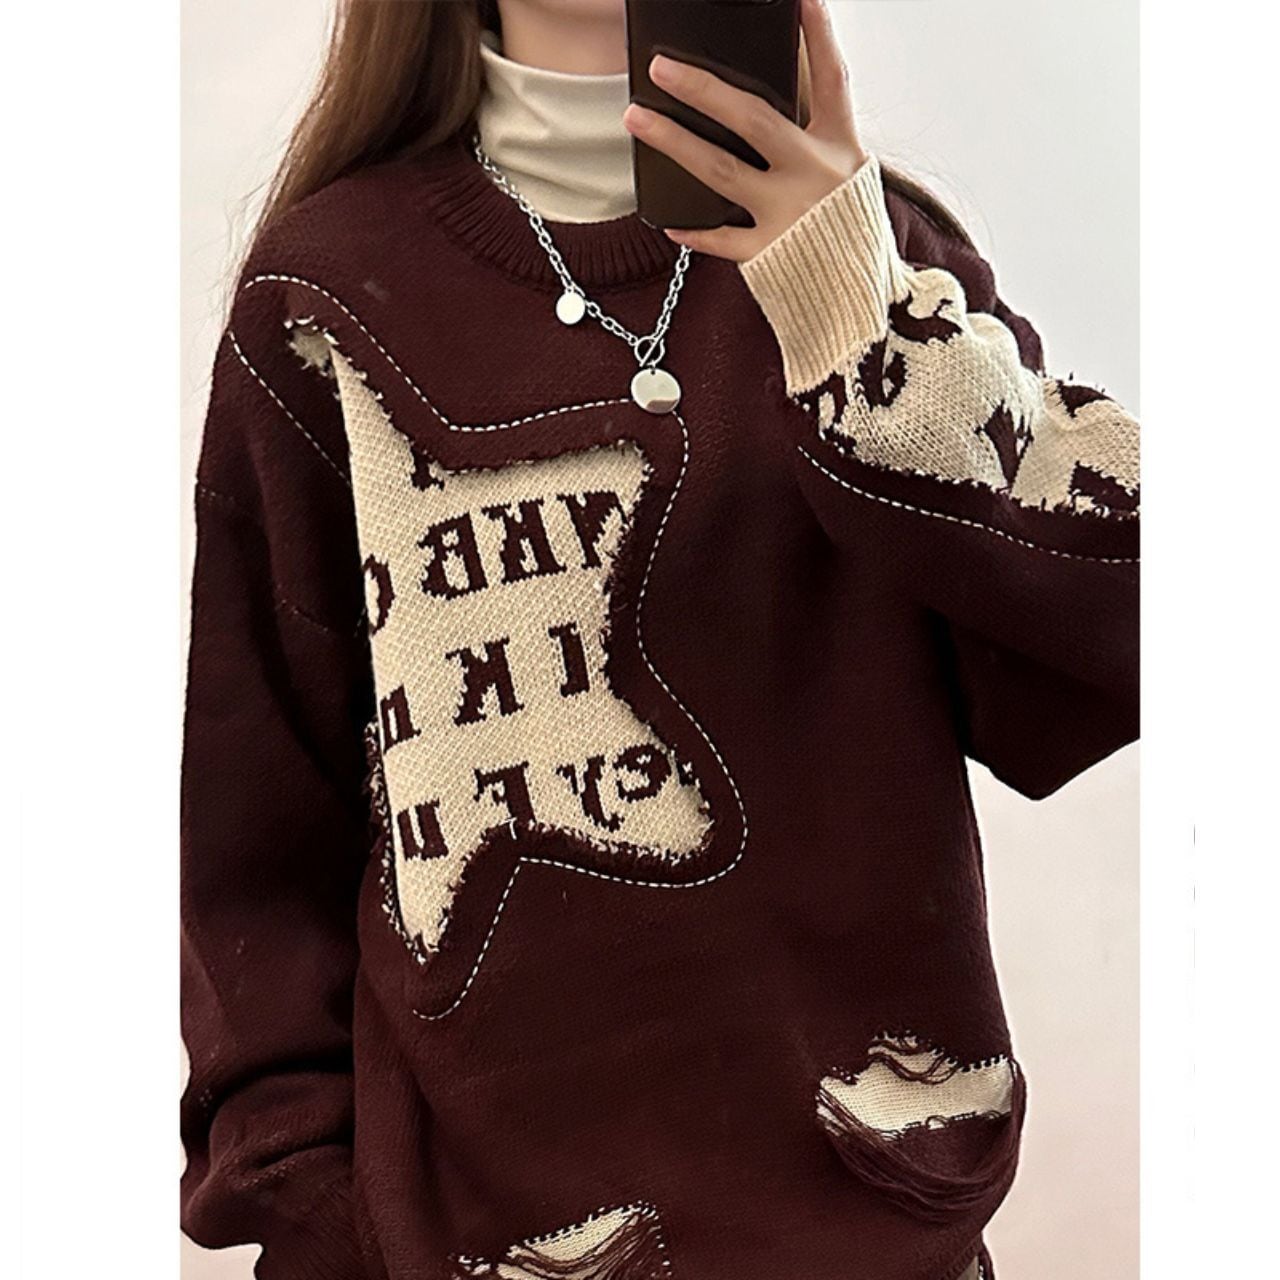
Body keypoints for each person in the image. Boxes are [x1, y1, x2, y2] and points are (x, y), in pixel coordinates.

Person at [179, 2, 1139, 1278]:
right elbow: (252, 835)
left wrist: (852, 312)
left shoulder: (873, 255)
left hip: (877, 1227)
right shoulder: (322, 295)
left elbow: (1124, 637)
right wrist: (319, 1217)